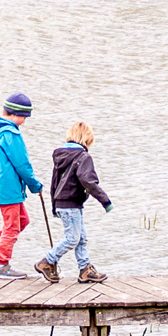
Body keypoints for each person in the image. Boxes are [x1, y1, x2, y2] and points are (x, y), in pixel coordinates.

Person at [34, 121, 112, 284]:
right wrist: (105, 201)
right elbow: (88, 181)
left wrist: (54, 206)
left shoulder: (61, 155)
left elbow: (54, 182)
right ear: (87, 139)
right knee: (72, 238)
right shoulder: (83, 157)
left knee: (81, 238)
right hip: (70, 204)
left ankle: (85, 269)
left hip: (64, 203)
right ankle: (47, 261)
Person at [0, 92, 44, 280]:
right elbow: (22, 164)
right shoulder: (11, 134)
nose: (24, 120)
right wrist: (35, 185)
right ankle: (2, 265)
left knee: (23, 220)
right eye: (24, 116)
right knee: (12, 227)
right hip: (9, 188)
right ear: (15, 114)